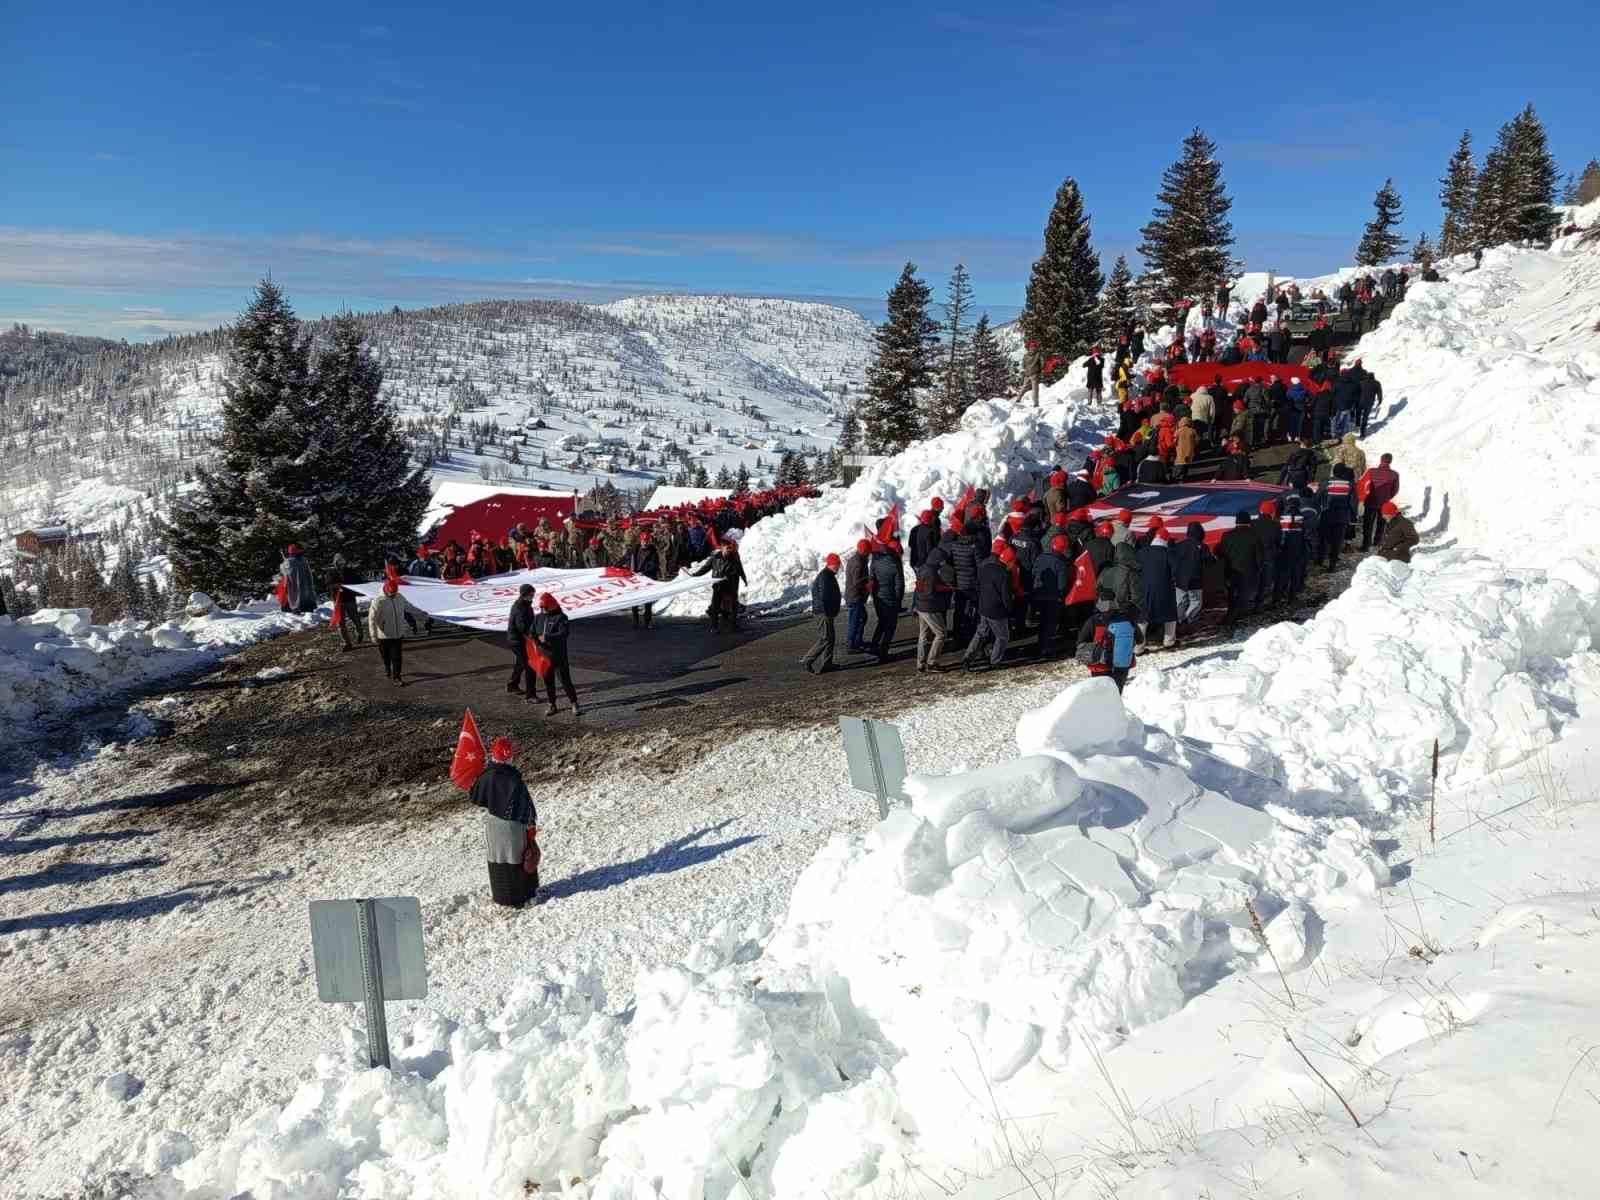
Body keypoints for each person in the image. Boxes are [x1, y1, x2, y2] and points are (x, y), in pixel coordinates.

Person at [471, 736, 538, 909]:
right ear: (509, 756)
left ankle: (501, 895)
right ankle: (521, 896)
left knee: (497, 858)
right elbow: (524, 807)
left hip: (493, 825)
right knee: (516, 857)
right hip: (513, 826)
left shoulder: (486, 775)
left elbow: (476, 797)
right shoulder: (513, 778)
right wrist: (530, 826)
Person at [963, 540, 1013, 670]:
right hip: (996, 611)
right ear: (1009, 561)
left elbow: (978, 586)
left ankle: (968, 657)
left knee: (981, 632)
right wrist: (1009, 610)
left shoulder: (985, 567)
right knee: (1003, 636)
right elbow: (1006, 597)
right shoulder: (1004, 574)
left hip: (983, 607)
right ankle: (995, 661)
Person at [1077, 586, 1138, 692]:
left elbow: (1080, 642)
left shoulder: (1093, 621)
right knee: (1117, 695)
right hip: (1122, 665)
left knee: (1102, 696)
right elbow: (1140, 639)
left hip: (1099, 666)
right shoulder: (1127, 619)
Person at [367, 578, 426, 685]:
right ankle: (387, 668)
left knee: (397, 656)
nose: (393, 595)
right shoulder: (378, 601)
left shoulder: (399, 597)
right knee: (386, 656)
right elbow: (372, 619)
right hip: (383, 635)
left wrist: (422, 611)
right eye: (391, 593)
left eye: (394, 593)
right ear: (386, 589)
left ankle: (397, 677)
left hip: (398, 634)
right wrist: (373, 635)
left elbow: (409, 607)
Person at [911, 533, 955, 671]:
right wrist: (944, 589)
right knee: (941, 634)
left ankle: (921, 663)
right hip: (929, 607)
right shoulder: (931, 572)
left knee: (923, 635)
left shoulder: (923, 568)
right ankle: (932, 662)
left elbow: (921, 588)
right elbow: (930, 592)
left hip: (920, 606)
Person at [532, 592, 580, 715]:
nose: (543, 610)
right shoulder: (538, 617)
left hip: (558, 656)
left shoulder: (561, 617)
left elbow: (563, 634)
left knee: (565, 681)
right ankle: (552, 704)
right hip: (544, 657)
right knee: (548, 682)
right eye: (541, 608)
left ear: (552, 605)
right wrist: (536, 642)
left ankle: (574, 703)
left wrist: (547, 637)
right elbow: (532, 632)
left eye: (545, 607)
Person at [1138, 518, 1179, 648]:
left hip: (1144, 588)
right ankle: (1169, 641)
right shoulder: (1168, 553)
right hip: (1164, 590)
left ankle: (1138, 646)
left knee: (1143, 618)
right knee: (1170, 616)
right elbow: (1175, 570)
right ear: (1165, 540)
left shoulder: (1141, 552)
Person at [689, 540, 746, 631]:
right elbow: (706, 567)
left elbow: (738, 569)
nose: (729, 550)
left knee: (733, 605)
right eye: (727, 548)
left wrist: (744, 578)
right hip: (718, 585)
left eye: (730, 548)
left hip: (731, 584)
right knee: (715, 606)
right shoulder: (716, 557)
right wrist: (695, 575)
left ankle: (733, 625)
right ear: (722, 548)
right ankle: (714, 626)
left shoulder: (734, 557)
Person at [800, 553, 842, 674]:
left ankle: (827, 663)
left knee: (831, 638)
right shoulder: (825, 576)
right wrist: (828, 611)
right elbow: (824, 596)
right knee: (825, 638)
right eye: (837, 564)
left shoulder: (828, 575)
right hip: (823, 613)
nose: (838, 567)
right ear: (831, 564)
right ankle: (808, 659)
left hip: (826, 612)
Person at [1218, 512, 1261, 628]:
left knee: (1232, 594)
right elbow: (1259, 557)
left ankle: (1231, 615)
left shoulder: (1227, 535)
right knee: (1243, 595)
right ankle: (1234, 617)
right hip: (1248, 571)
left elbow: (1220, 552)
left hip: (1230, 571)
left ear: (1236, 521)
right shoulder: (1254, 536)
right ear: (1249, 522)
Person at [1031, 532, 1070, 658]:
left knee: (1042, 623)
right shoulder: (1061, 563)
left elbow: (1034, 573)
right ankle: (1045, 648)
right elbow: (1062, 584)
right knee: (1050, 624)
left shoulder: (1041, 557)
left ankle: (1040, 644)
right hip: (1052, 598)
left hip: (1039, 595)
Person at [1169, 521, 1211, 632]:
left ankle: (1177, 623)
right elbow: (1209, 561)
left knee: (1180, 603)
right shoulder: (1203, 546)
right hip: (1195, 580)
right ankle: (1187, 620)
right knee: (1196, 603)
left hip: (1180, 580)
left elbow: (1172, 559)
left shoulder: (1179, 545)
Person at [866, 539, 904, 658]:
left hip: (878, 597)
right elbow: (899, 585)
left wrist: (873, 594)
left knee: (882, 622)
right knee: (890, 626)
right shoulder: (895, 564)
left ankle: (874, 645)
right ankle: (883, 652)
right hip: (891, 598)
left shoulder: (876, 560)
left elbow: (871, 578)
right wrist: (898, 601)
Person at [1357, 453, 1400, 550]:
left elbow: (1362, 484)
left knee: (1368, 523)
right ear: (1390, 461)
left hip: (1370, 501)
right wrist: (1388, 496)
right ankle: (1377, 542)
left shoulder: (1371, 471)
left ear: (1381, 460)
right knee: (1381, 523)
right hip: (1384, 503)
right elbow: (1395, 489)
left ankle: (1365, 545)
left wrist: (1363, 498)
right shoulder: (1394, 474)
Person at [1318, 465, 1357, 569]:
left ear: (1333, 472)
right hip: (1342, 517)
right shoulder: (1350, 484)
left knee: (1324, 539)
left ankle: (1320, 560)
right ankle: (1332, 564)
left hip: (1327, 515)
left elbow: (1317, 497)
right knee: (1337, 541)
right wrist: (1353, 516)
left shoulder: (1325, 482)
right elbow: (1353, 503)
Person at [1276, 495, 1310, 604]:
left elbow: (1279, 534)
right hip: (1298, 550)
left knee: (1282, 575)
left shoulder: (1281, 518)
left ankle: (1277, 598)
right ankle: (1292, 597)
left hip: (1284, 549)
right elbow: (1306, 535)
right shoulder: (1302, 518)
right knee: (1295, 574)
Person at [505, 583, 538, 696]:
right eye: (531, 594)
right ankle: (530, 695)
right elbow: (522, 627)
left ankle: (512, 685)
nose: (533, 596)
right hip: (517, 641)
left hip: (520, 639)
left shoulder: (526, 604)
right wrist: (533, 636)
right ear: (525, 595)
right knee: (530, 666)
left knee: (520, 663)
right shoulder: (519, 607)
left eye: (533, 594)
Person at [625, 529, 661, 629]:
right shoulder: (635, 549)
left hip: (647, 578)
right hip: (635, 578)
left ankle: (647, 621)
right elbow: (627, 559)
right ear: (640, 541)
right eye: (643, 541)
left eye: (646, 541)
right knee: (634, 601)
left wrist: (644, 572)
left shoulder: (653, 551)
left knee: (648, 602)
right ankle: (635, 620)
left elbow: (654, 565)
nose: (645, 543)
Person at [843, 538, 870, 653]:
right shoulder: (859, 562)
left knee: (861, 618)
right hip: (855, 596)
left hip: (852, 595)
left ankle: (857, 641)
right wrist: (868, 582)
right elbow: (857, 581)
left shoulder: (854, 559)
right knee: (854, 621)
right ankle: (851, 645)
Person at [1254, 501, 1281, 609]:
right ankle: (1260, 603)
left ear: (1260, 511)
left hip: (1255, 557)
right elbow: (1278, 542)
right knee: (1266, 582)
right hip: (1269, 557)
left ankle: (1252, 602)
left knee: (1255, 581)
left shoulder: (1252, 523)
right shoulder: (1275, 525)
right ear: (1272, 512)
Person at [279, 543, 317, 614]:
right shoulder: (303, 560)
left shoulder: (289, 562)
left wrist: (283, 564)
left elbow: (284, 571)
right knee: (304, 595)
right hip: (305, 584)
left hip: (295, 585)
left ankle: (297, 609)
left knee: (295, 597)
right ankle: (307, 608)